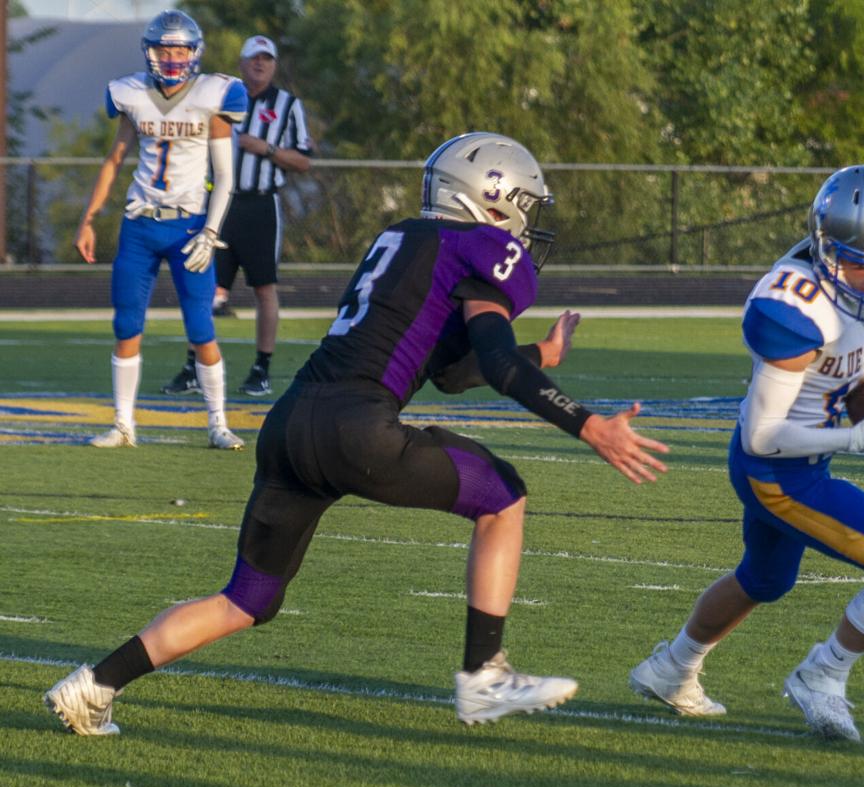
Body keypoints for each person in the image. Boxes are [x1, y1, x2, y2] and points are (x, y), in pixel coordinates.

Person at [45, 131, 671, 734]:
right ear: (490, 197)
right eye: (522, 206)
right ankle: (484, 676)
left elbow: (452, 373)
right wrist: (588, 425)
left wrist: (541, 352)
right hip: (358, 428)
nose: (525, 223)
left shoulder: (401, 237)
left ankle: (94, 685)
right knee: (502, 494)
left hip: (291, 424)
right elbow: (498, 367)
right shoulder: (487, 251)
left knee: (247, 599)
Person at [628, 165, 864, 742]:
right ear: (825, 248)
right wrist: (857, 438)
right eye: (862, 263)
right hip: (777, 471)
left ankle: (671, 668)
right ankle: (823, 674)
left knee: (764, 580)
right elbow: (765, 434)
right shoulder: (794, 306)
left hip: (798, 460)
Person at [75, 10, 248, 450]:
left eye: (179, 49)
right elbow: (115, 160)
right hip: (140, 224)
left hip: (189, 227)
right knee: (127, 323)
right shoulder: (131, 94)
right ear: (149, 52)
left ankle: (217, 423)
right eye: (163, 49)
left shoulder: (215, 95)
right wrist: (89, 218)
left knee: (200, 327)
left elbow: (226, 176)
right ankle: (123, 425)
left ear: (194, 52)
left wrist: (211, 231)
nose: (171, 58)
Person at [163, 34, 314, 398]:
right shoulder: (221, 100)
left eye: (267, 58)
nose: (260, 64)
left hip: (261, 205)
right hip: (219, 202)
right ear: (242, 63)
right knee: (205, 285)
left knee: (264, 287)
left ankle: (261, 368)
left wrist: (266, 147)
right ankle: (193, 366)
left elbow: (304, 160)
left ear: (274, 64)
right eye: (254, 58)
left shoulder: (287, 105)